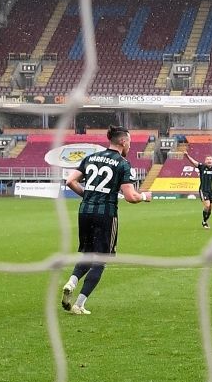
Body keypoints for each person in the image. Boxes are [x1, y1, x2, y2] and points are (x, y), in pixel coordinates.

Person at [59, 126, 151, 315]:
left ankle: (71, 282)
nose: (130, 146)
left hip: (85, 211)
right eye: (130, 143)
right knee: (100, 260)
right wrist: (144, 196)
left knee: (87, 253)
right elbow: (130, 196)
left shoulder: (91, 157)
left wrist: (87, 196)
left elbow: (70, 181)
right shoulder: (123, 164)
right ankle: (79, 304)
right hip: (105, 214)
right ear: (123, 141)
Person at [184, 144, 212, 227]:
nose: (209, 160)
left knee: (210, 209)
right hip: (203, 190)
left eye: (210, 159)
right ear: (205, 161)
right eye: (208, 159)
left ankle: (204, 221)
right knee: (207, 205)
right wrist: (187, 156)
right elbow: (193, 162)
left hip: (210, 191)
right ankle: (204, 222)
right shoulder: (202, 167)